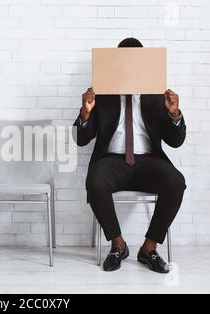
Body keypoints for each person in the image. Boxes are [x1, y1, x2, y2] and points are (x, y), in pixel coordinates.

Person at [74, 38, 186, 274]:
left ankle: (149, 248)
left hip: (148, 160)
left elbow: (175, 142)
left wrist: (174, 113)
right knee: (95, 180)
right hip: (112, 160)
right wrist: (85, 111)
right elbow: (81, 139)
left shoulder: (156, 94)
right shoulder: (102, 94)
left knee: (176, 182)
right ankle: (118, 245)